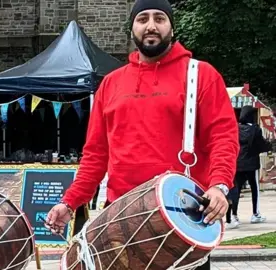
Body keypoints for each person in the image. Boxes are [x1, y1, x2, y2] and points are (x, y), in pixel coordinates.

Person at [45, 0, 239, 269]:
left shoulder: (201, 75)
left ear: (171, 27)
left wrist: (219, 185)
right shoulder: (111, 83)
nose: (151, 26)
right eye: (143, 19)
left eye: (159, 18)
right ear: (132, 27)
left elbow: (223, 138)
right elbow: (96, 155)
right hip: (120, 218)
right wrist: (70, 202)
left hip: (182, 216)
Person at [227, 105, 272, 228]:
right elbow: (261, 145)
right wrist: (269, 145)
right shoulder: (256, 130)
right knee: (254, 189)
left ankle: (233, 216)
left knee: (236, 189)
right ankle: (255, 214)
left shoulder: (235, 128)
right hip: (252, 164)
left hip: (238, 163)